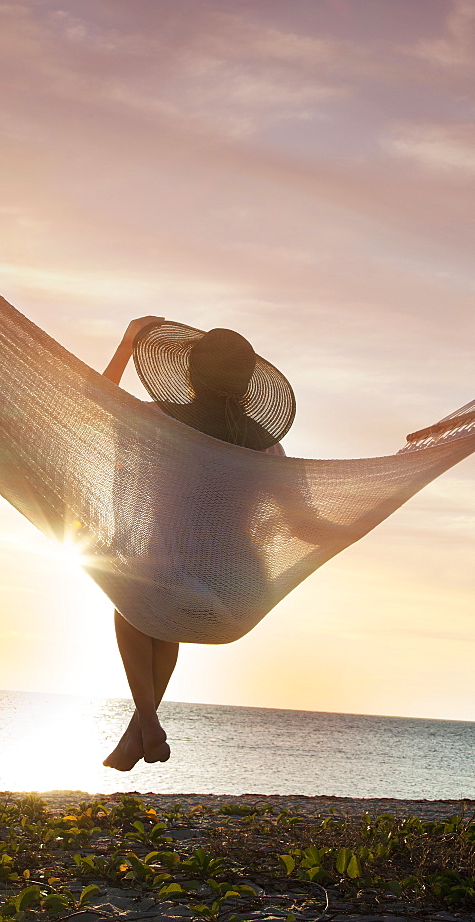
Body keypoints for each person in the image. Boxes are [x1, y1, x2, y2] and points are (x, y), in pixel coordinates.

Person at [101, 316, 296, 772]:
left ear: (189, 374)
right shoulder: (268, 448)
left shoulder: (160, 422)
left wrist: (130, 342)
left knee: (130, 601)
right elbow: (300, 522)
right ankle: (136, 735)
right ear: (248, 385)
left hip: (164, 569)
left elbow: (92, 401)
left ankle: (148, 722)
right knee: (162, 620)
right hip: (235, 584)